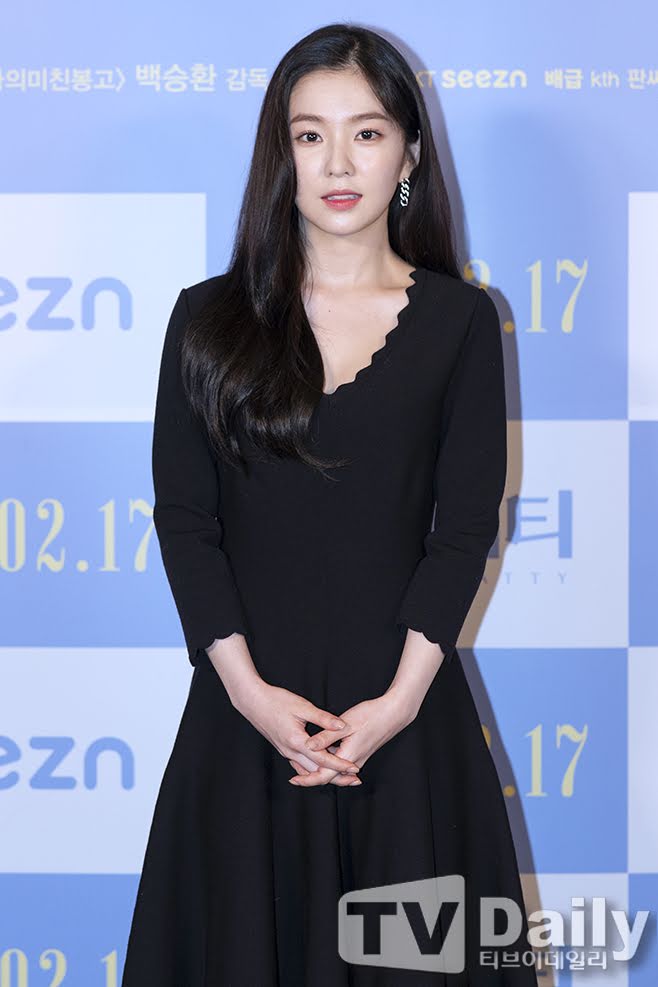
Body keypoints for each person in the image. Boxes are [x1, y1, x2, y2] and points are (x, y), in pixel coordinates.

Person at [121, 22, 538, 987]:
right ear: (282, 155)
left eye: (367, 132)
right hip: (245, 726)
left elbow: (464, 528)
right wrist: (248, 693)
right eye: (310, 135)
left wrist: (397, 703)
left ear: (409, 154)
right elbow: (186, 521)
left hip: (405, 729)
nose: (339, 163)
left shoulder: (461, 321)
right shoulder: (206, 319)